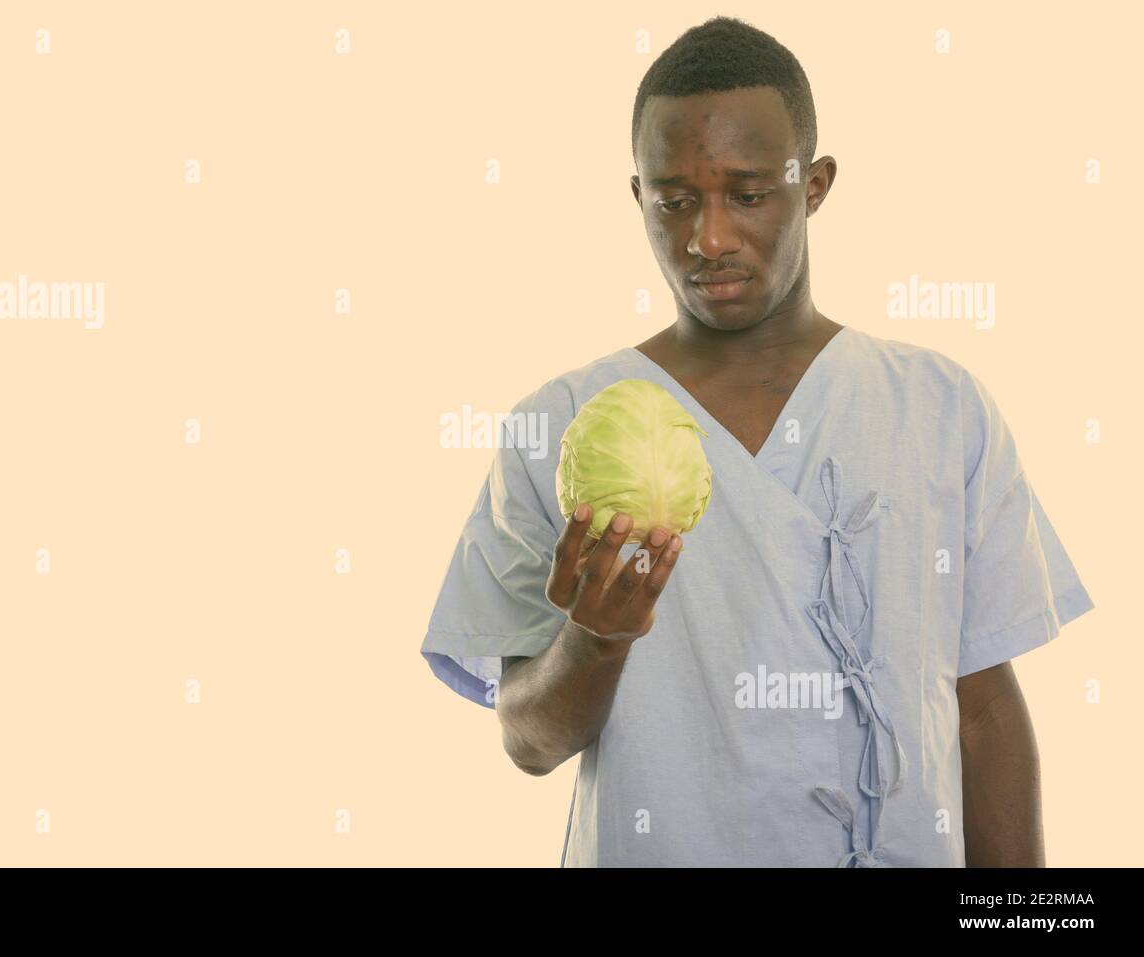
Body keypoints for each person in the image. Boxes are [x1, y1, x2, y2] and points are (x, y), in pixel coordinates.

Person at [419, 16, 1093, 867]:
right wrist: (594, 639)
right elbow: (528, 741)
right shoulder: (556, 424)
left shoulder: (939, 407)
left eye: (747, 194)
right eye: (674, 200)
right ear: (638, 197)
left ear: (813, 185)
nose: (709, 239)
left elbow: (985, 708)